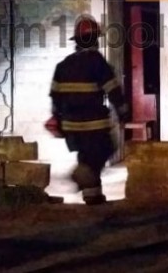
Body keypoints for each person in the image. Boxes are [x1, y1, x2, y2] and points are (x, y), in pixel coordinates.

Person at [50, 15, 130, 205]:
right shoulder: (98, 63)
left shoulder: (62, 66)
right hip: (94, 124)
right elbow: (114, 92)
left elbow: (55, 98)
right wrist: (123, 113)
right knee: (105, 150)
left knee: (87, 158)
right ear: (95, 40)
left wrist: (59, 121)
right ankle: (80, 174)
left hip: (71, 126)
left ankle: (93, 197)